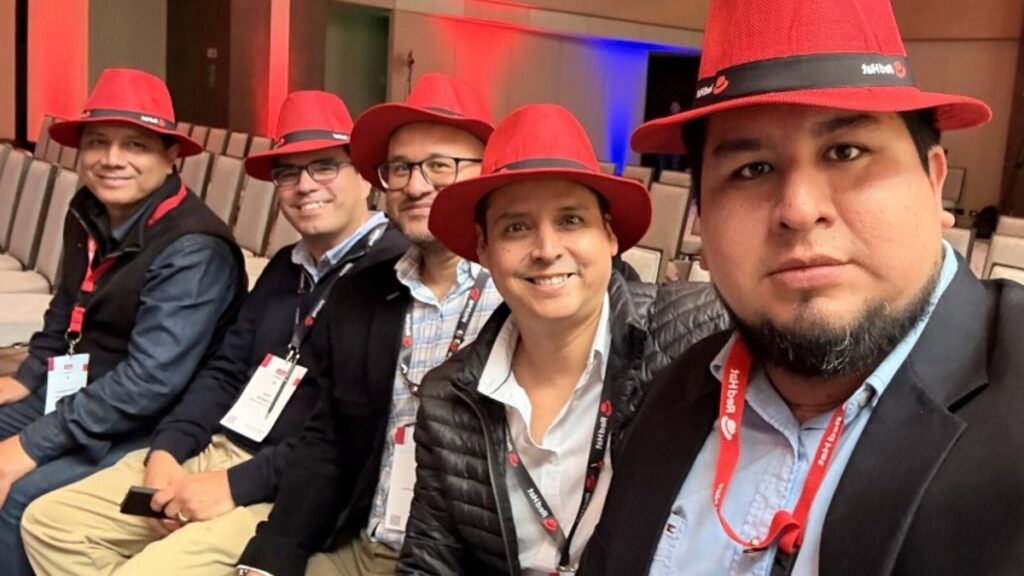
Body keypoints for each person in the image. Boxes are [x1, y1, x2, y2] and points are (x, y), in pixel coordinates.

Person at [580, 1, 1024, 575]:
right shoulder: (669, 399)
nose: (798, 209)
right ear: (701, 225)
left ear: (934, 182)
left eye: (846, 152)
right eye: (752, 169)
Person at [19, 90, 409, 575]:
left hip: (291, 484)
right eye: (288, 173)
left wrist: (232, 486)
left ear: (364, 176)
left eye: (325, 166)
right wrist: (169, 448)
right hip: (217, 448)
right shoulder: (285, 267)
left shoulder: (391, 276)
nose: (305, 185)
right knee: (52, 525)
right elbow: (224, 371)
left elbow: (343, 439)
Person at [397, 103, 730, 574]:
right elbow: (430, 561)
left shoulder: (698, 332)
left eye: (571, 220)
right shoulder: (447, 399)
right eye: (516, 227)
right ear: (484, 250)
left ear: (609, 236)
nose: (547, 249)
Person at [235, 73, 503, 576]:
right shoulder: (362, 294)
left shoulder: (522, 294)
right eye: (400, 168)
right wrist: (270, 557)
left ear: (486, 172)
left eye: (440, 166)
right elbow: (329, 440)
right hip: (368, 545)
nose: (416, 186)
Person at [0, 67, 246, 574]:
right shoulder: (88, 209)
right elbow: (66, 307)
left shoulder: (193, 248)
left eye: (135, 145)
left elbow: (148, 383)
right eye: (98, 143)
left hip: (148, 419)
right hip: (83, 393)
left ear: (170, 155)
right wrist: (27, 375)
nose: (112, 159)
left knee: (20, 498)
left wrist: (28, 447)